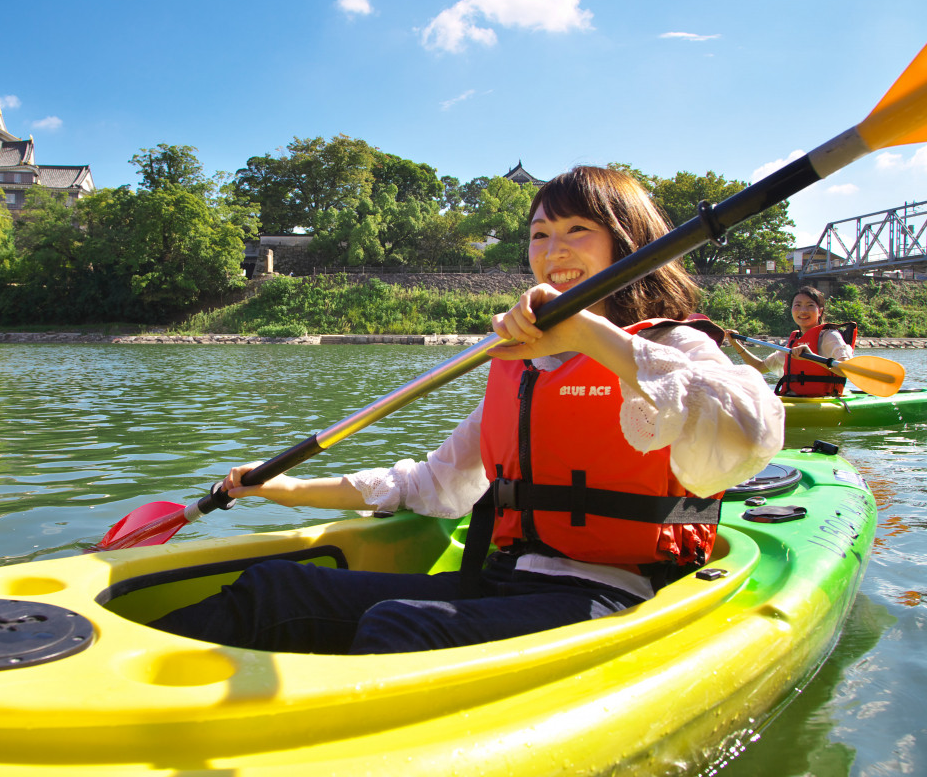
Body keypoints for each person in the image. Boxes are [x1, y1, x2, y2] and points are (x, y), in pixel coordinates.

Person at [150, 166, 784, 655]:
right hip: (504, 582)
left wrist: (591, 335)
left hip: (617, 595)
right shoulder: (523, 367)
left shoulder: (671, 346)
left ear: (628, 245)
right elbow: (436, 485)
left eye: (575, 231)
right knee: (274, 590)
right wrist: (284, 489)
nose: (553, 249)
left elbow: (752, 434)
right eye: (539, 235)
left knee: (398, 625)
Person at [726, 286, 856, 396]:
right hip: (794, 399)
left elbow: (848, 370)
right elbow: (759, 367)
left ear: (820, 311)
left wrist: (811, 357)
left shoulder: (829, 336)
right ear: (792, 310)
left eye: (810, 305)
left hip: (825, 400)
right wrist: (736, 344)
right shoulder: (794, 342)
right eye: (797, 305)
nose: (803, 311)